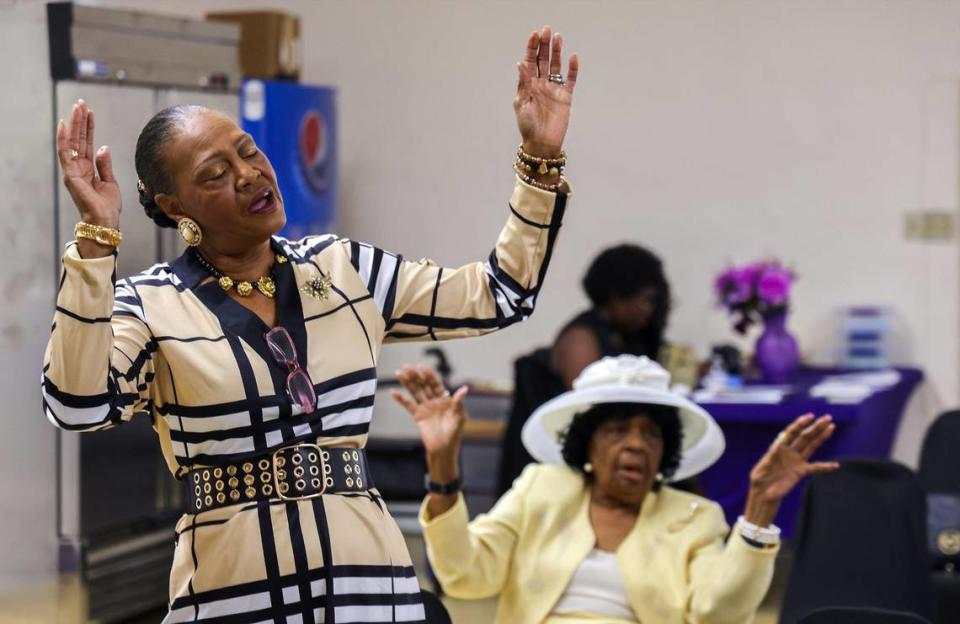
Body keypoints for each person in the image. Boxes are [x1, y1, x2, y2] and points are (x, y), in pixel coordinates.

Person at [42, 26, 577, 623]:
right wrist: (94, 243)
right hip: (232, 596)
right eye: (214, 174)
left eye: (248, 151)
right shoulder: (149, 304)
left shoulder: (344, 269)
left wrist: (541, 163)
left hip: (368, 592)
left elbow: (500, 295)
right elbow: (78, 404)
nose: (248, 175)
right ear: (175, 209)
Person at [392, 356, 838, 624]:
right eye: (619, 430)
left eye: (650, 434)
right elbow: (465, 575)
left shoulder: (692, 516)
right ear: (587, 442)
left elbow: (717, 612)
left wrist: (759, 510)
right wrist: (444, 464)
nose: (636, 445)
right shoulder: (542, 489)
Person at [497, 243, 675, 495]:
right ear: (617, 296)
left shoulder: (626, 337)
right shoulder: (582, 338)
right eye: (645, 300)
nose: (649, 310)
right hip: (567, 464)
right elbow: (590, 408)